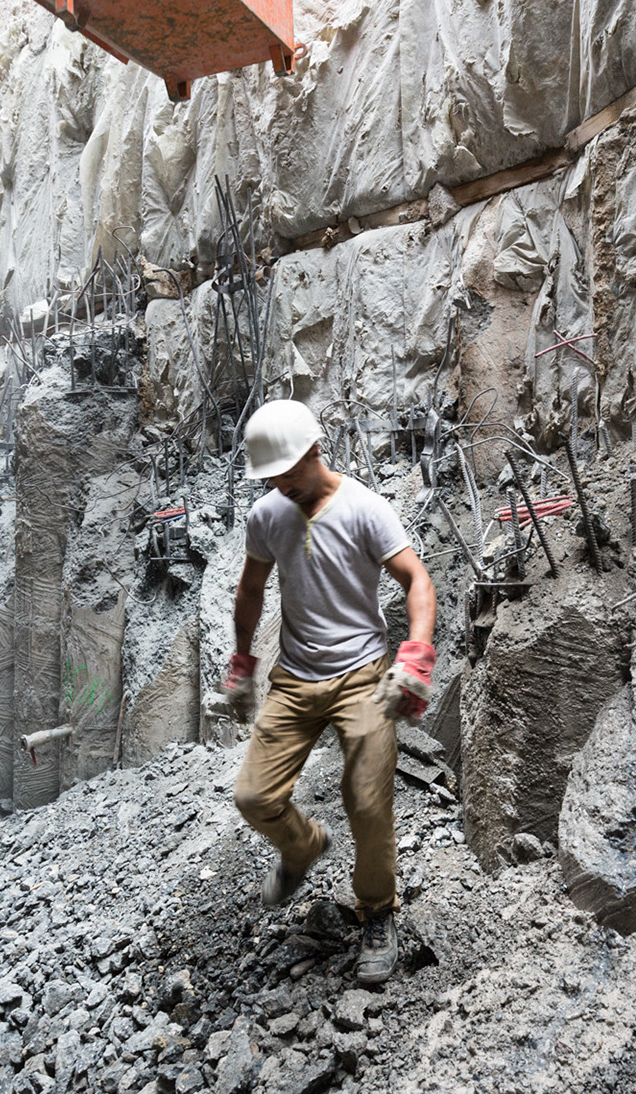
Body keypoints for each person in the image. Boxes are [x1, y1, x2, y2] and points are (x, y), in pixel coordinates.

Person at [211, 399, 438, 986]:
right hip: (294, 675)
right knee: (255, 797)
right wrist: (242, 663)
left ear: (315, 450)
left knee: (367, 803)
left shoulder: (366, 508)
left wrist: (415, 655)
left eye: (288, 471)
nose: (282, 485)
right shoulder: (267, 516)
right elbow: (251, 590)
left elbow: (416, 579)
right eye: (272, 477)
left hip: (362, 674)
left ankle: (377, 914)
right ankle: (303, 846)